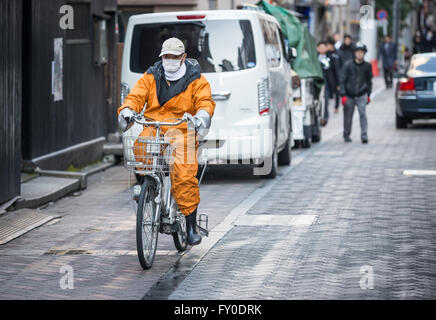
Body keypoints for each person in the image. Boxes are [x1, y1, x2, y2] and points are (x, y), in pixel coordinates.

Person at [118, 38, 216, 246]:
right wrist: (128, 110)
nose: (169, 60)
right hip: (155, 126)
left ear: (183, 58)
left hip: (182, 129)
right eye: (166, 57)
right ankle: (149, 185)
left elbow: (205, 101)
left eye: (174, 57)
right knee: (141, 145)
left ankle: (190, 226)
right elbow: (136, 96)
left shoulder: (196, 80)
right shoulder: (151, 76)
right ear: (161, 57)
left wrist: (201, 116)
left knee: (184, 173)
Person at [340, 42, 373, 144]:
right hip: (349, 95)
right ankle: (346, 134)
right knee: (348, 116)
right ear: (354, 53)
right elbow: (343, 80)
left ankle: (364, 135)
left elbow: (369, 81)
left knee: (363, 114)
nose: (359, 54)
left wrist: (368, 94)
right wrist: (343, 94)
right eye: (358, 52)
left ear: (364, 53)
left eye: (361, 52)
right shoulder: (348, 65)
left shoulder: (367, 66)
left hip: (362, 94)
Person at [317, 41, 336, 126]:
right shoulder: (314, 58)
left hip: (327, 83)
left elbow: (335, 71)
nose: (322, 49)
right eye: (320, 47)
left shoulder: (331, 57)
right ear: (317, 48)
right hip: (317, 83)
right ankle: (318, 117)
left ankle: (325, 118)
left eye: (324, 47)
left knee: (326, 101)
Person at [327, 37, 342, 113]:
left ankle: (336, 107)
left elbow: (340, 67)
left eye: (328, 45)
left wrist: (339, 82)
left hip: (336, 76)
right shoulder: (326, 54)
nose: (327, 47)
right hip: (328, 76)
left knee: (337, 92)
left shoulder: (338, 53)